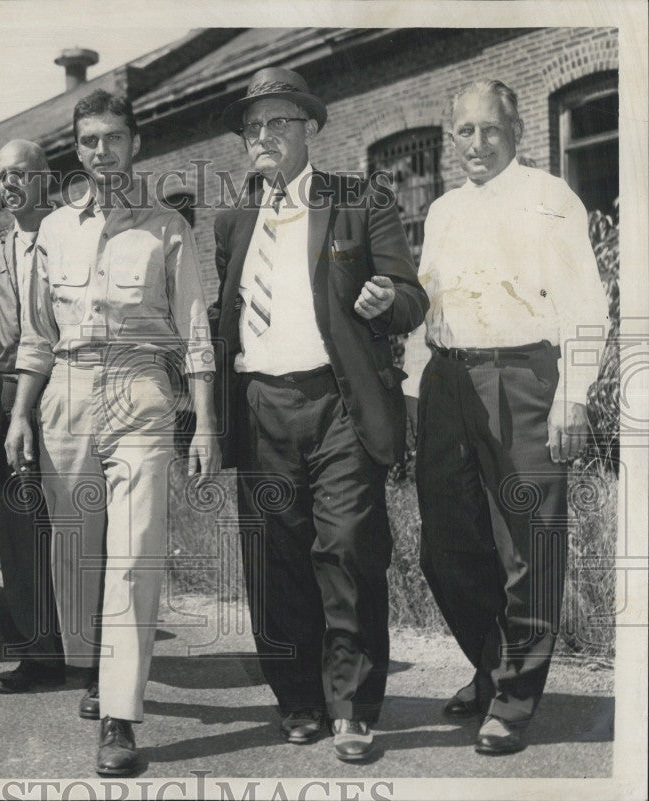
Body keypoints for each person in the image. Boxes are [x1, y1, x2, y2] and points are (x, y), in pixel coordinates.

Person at [211, 67, 428, 762]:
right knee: (275, 558)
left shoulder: (358, 201)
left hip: (338, 404)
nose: (262, 137)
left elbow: (409, 296)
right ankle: (297, 698)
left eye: (277, 122)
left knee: (347, 548)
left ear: (308, 129)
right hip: (261, 404)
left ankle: (354, 706)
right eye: (252, 127)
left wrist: (384, 299)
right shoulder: (233, 220)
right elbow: (224, 321)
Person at [5, 90, 219, 776]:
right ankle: (99, 667)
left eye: (115, 139)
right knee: (81, 551)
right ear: (78, 148)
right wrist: (17, 414)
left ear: (136, 145)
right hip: (64, 393)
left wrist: (206, 421)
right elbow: (37, 337)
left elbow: (194, 333)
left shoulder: (166, 227)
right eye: (91, 140)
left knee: (136, 551)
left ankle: (121, 719)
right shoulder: (55, 231)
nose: (103, 152)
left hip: (138, 387)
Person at [410, 79, 608, 755]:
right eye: (464, 130)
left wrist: (573, 393)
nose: (477, 142)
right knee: (445, 545)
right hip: (447, 380)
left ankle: (515, 698)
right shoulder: (440, 211)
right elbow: (427, 309)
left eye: (490, 129)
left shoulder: (550, 199)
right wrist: (417, 395)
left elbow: (587, 303)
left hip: (525, 376)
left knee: (531, 544)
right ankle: (495, 666)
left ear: (515, 132)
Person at [0, 140, 65, 694]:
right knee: (19, 522)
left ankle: (92, 651)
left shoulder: (72, 233)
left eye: (21, 173)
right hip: (9, 386)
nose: (10, 184)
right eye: (2, 176)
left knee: (74, 515)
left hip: (66, 381)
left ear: (45, 178)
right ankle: (40, 652)